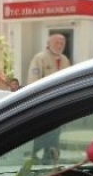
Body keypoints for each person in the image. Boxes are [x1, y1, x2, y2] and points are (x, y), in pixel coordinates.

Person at [27, 34, 72, 164]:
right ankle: (35, 155)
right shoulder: (40, 58)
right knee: (43, 130)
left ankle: (51, 155)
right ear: (49, 43)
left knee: (56, 131)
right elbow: (33, 81)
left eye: (62, 44)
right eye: (56, 43)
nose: (59, 46)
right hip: (44, 102)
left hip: (59, 103)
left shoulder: (64, 60)